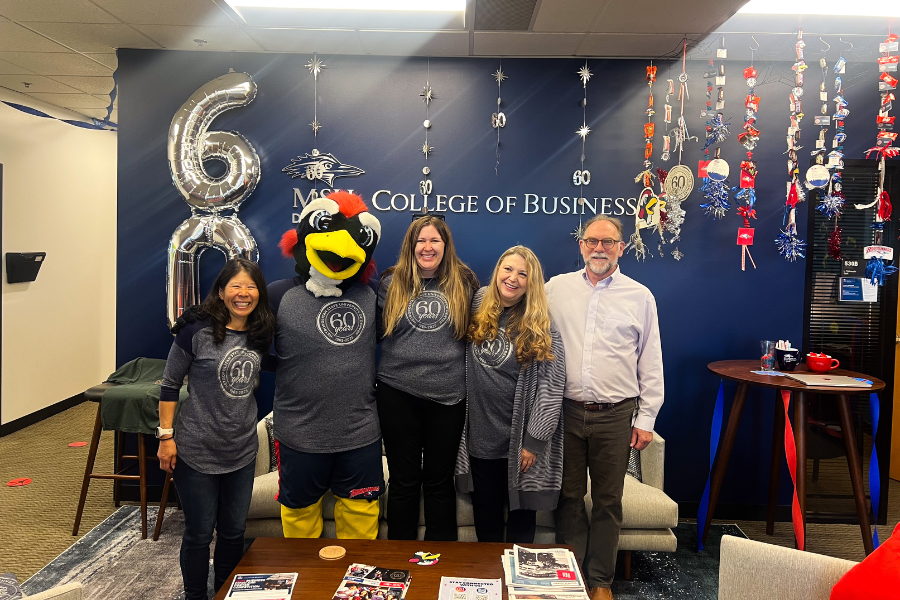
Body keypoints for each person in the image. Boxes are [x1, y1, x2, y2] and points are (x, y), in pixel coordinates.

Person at [545, 215, 664, 600]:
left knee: (609, 500)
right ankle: (571, 574)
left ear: (621, 248)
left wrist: (646, 418)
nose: (599, 248)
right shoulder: (555, 289)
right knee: (569, 496)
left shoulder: (640, 296)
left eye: (608, 242)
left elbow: (651, 361)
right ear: (581, 245)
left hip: (616, 414)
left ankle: (600, 581)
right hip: (565, 412)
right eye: (592, 241)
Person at [157, 258, 276, 600]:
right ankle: (195, 595)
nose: (244, 293)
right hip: (196, 450)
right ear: (221, 291)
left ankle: (226, 592)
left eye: (251, 287)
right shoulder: (196, 331)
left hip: (241, 451)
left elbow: (284, 364)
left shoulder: (260, 332)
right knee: (197, 534)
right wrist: (166, 437)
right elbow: (169, 384)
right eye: (236, 286)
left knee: (234, 532)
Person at [269, 191, 384, 539]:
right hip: (299, 433)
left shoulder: (373, 295)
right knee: (300, 522)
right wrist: (199, 320)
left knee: (362, 523)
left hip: (359, 433)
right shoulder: (278, 294)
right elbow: (239, 332)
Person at [376, 215, 478, 540]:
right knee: (404, 480)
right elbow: (374, 336)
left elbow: (478, 335)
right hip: (397, 395)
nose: (427, 246)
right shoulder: (391, 284)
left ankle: (438, 565)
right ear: (411, 245)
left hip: (448, 399)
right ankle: (397, 562)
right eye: (421, 240)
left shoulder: (465, 282)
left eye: (435, 240)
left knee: (438, 480)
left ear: (445, 246)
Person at [455, 246, 566, 543]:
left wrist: (534, 441)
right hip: (480, 437)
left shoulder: (541, 323)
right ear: (497, 271)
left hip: (519, 444)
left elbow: (552, 385)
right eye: (508, 269)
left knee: (520, 520)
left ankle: (516, 585)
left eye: (523, 274)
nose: (513, 278)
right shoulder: (478, 302)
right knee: (486, 514)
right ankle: (491, 582)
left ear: (532, 282)